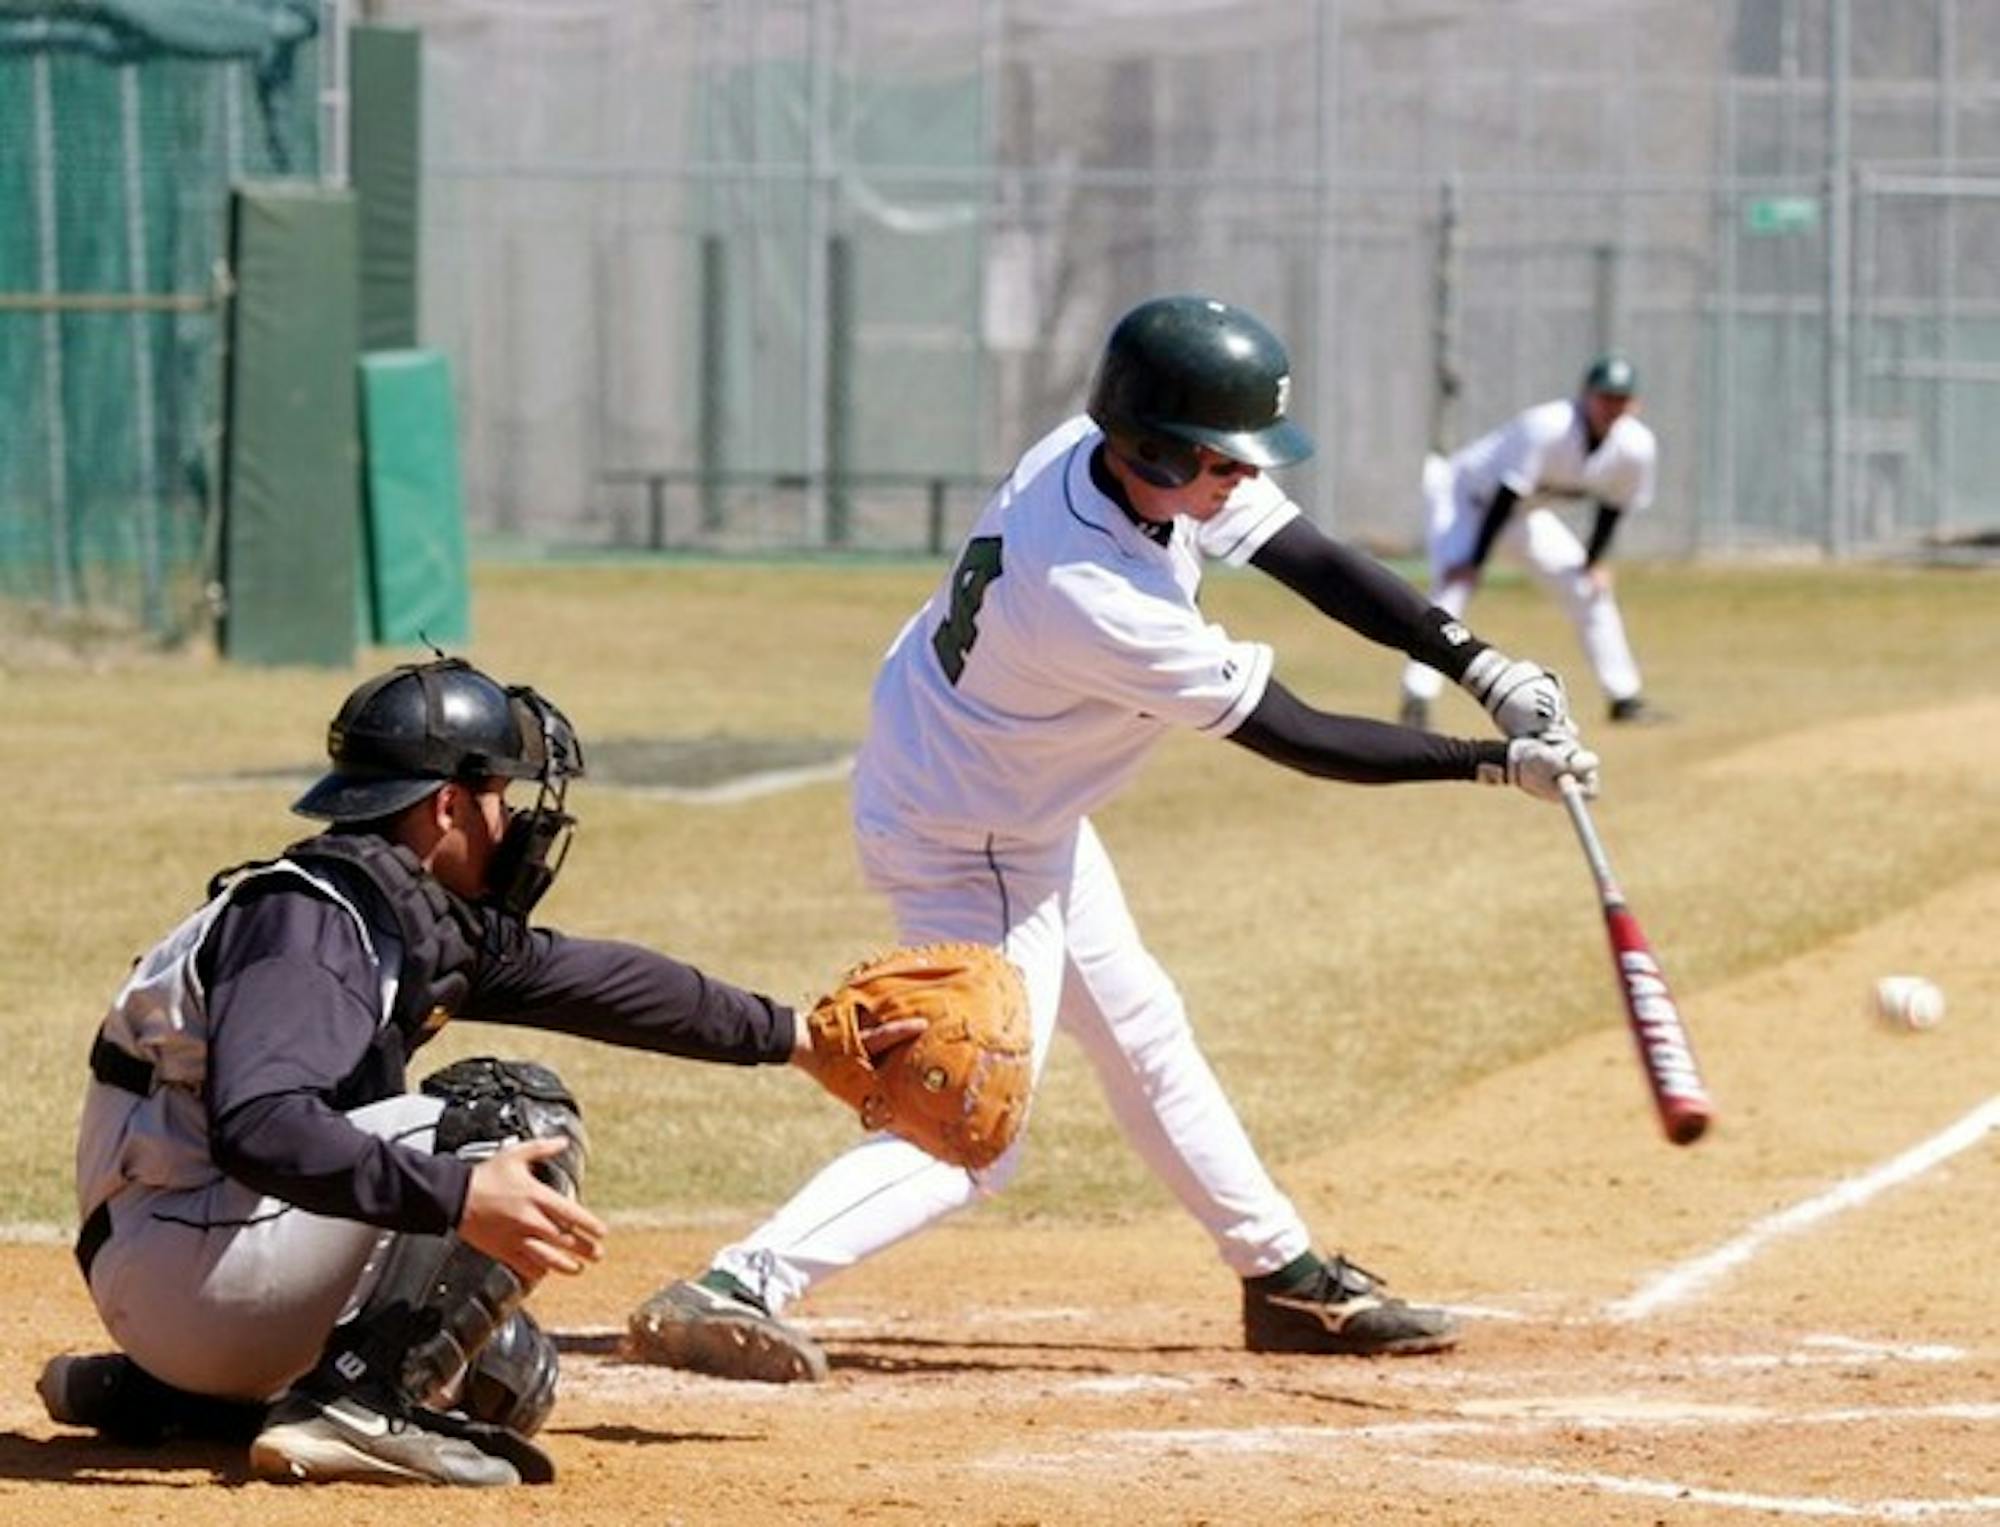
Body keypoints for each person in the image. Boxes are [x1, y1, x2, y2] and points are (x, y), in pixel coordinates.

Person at [624, 295, 1599, 1383]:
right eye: (1220, 463)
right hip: (970, 834)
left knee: (1144, 1033)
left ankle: (1280, 1274)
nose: (1238, 482)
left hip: (1001, 802)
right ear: (1150, 445)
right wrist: (1485, 762)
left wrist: (1479, 663)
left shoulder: (1105, 455)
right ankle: (736, 1283)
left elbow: (1312, 560)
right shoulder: (1094, 594)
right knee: (971, 1117)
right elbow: (1299, 734)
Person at [37, 657, 914, 1486]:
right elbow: (262, 1126)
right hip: (187, 1256)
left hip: (204, 1258)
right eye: (500, 792)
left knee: (506, 1375)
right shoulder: (307, 928)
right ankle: (358, 1408)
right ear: (448, 805)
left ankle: (169, 1397)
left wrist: (803, 1036)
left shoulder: (392, 909)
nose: (515, 821)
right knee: (511, 1116)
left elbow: (601, 983)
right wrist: (458, 1196)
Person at [1397, 354, 1664, 730]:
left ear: (1635, 404)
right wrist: (1474, 563)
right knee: (1454, 590)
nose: (1611, 406)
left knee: (1590, 590)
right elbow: (1504, 496)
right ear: (1586, 395)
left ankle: (1624, 697)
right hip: (1465, 501)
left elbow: (1613, 507)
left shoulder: (1636, 446)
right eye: (1605, 397)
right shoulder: (1549, 426)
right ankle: (1417, 697)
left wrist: (1594, 561)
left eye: (1621, 398)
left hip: (1523, 514)